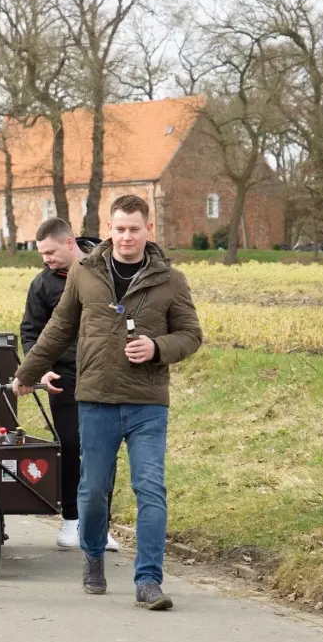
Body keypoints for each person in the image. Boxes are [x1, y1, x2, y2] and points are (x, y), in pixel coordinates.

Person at [12, 195, 204, 611]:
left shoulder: (171, 280)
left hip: (147, 402)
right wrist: (27, 374)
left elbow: (191, 335)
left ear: (148, 230)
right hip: (96, 398)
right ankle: (93, 555)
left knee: (150, 488)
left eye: (134, 229)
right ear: (109, 229)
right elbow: (58, 329)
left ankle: (149, 580)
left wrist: (157, 347)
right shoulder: (85, 273)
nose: (126, 236)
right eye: (120, 229)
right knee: (94, 489)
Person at [20, 220, 121, 552]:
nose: (45, 259)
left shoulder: (108, 269)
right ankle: (71, 520)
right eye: (41, 254)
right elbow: (31, 332)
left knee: (102, 449)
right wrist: (42, 370)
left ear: (68, 243)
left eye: (50, 252)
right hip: (64, 377)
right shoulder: (42, 285)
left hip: (105, 374)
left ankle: (100, 526)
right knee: (70, 445)